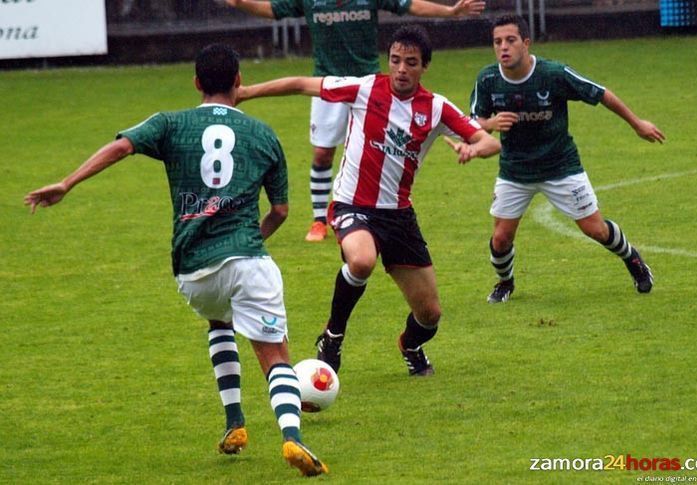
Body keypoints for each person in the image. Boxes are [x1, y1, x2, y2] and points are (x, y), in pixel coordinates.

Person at [24, 44, 327, 477]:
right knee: (274, 353)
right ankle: (293, 439)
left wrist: (67, 183)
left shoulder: (171, 123)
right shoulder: (264, 135)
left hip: (193, 271)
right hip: (247, 261)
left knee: (219, 320)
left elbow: (122, 147)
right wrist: (248, 241)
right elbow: (280, 211)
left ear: (197, 82)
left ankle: (235, 424)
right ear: (240, 82)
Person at [236, 25, 501, 375]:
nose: (402, 69)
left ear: (424, 67)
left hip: (399, 216)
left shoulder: (436, 108)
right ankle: (332, 336)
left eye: (411, 62)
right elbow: (302, 84)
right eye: (395, 60)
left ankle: (410, 345)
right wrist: (246, 93)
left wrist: (472, 148)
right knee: (361, 261)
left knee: (430, 314)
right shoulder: (364, 88)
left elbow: (491, 142)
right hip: (352, 205)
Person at [223, 0, 486, 242]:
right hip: (330, 79)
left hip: (370, 84)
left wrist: (450, 12)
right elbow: (270, 9)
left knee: (377, 151)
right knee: (322, 153)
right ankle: (319, 221)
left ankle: (379, 207)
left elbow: (410, 5)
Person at [469, 15, 665, 304]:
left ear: (526, 42)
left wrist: (637, 123)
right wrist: (491, 124)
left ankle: (632, 259)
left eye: (510, 40)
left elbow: (601, 94)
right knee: (500, 238)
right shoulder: (488, 79)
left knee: (595, 229)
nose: (503, 47)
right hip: (515, 170)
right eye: (497, 42)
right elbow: (473, 121)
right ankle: (505, 282)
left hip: (560, 165)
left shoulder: (553, 74)